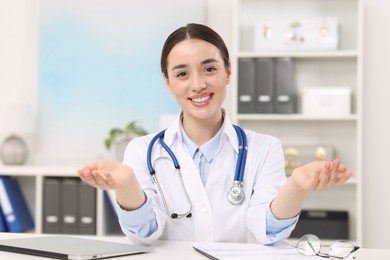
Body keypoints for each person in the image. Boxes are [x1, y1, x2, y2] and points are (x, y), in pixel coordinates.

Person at [77, 23, 352, 246]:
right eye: (182, 74)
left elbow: (268, 231)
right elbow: (145, 233)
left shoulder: (265, 148)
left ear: (228, 72)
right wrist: (126, 184)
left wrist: (297, 186)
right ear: (168, 82)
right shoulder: (142, 151)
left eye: (209, 69)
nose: (198, 84)